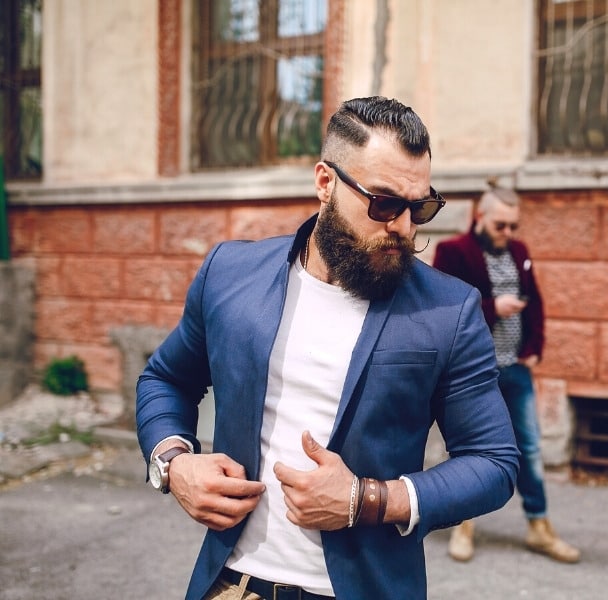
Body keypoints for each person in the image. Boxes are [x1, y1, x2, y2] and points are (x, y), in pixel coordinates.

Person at [136, 96, 519, 600]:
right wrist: (173, 464)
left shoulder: (448, 310)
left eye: (419, 207)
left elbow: (493, 462)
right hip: (234, 583)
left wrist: (370, 499)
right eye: (383, 203)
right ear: (325, 183)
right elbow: (166, 379)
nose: (403, 227)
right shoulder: (231, 274)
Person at [432, 181, 580, 564]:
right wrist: (493, 307)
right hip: (472, 373)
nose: (509, 234)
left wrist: (534, 349)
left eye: (514, 226)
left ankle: (539, 526)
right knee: (467, 453)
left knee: (529, 450)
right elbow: (443, 311)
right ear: (481, 218)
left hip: (514, 368)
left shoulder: (520, 252)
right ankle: (463, 526)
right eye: (501, 225)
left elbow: (537, 303)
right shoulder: (453, 253)